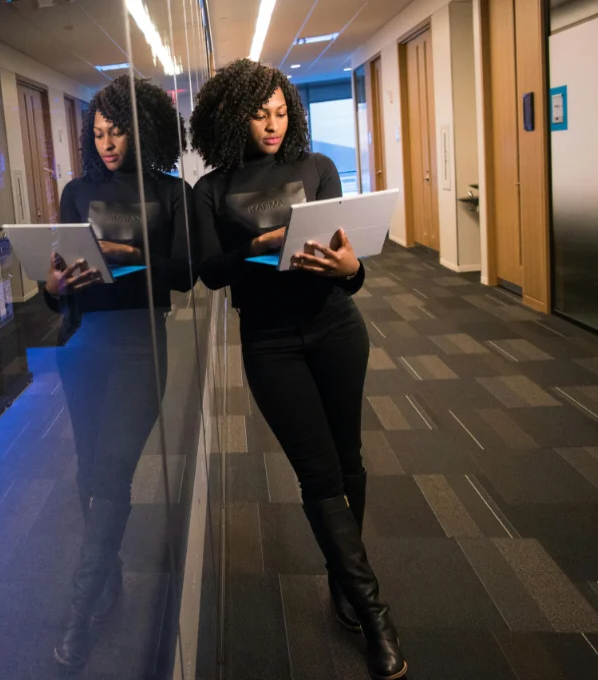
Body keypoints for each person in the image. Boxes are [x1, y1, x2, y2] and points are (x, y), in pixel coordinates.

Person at [188, 59, 407, 680]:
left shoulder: (318, 168)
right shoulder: (212, 189)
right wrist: (255, 247)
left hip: (336, 326)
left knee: (349, 460)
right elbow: (209, 270)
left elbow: (348, 260)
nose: (274, 125)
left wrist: (352, 270)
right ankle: (374, 613)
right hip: (270, 342)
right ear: (233, 116)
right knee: (317, 474)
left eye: (282, 112)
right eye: (260, 114)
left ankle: (344, 579)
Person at [43, 75, 192, 670]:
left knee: (112, 472)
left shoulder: (169, 192)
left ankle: (79, 612)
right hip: (84, 345)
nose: (107, 143)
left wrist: (130, 256)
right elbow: (57, 291)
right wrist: (54, 286)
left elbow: (184, 275)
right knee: (88, 472)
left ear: (142, 127)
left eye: (117, 130)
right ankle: (109, 577)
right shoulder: (76, 192)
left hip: (140, 348)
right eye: (98, 133)